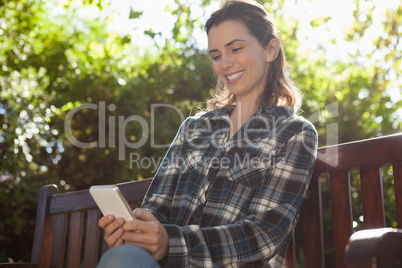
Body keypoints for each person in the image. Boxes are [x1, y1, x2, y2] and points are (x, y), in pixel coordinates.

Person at [97, 0, 318, 267]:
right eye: (215, 55)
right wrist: (134, 233)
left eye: (235, 49)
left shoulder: (294, 133)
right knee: (124, 256)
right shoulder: (194, 128)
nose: (225, 63)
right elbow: (156, 207)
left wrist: (171, 243)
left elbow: (264, 235)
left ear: (270, 49)